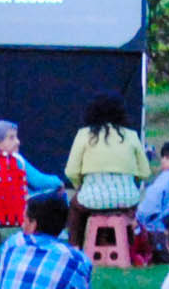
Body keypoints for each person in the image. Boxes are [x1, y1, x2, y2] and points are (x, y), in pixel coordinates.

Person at [63, 95, 150, 238]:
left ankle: (76, 245)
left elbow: (71, 171)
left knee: (75, 207)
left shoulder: (84, 135)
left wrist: (79, 186)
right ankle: (125, 242)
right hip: (127, 200)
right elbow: (145, 172)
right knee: (128, 211)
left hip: (91, 198)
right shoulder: (131, 135)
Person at [0, 119, 62, 199]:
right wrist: (58, 181)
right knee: (58, 191)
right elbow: (39, 181)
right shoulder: (15, 160)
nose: (18, 142)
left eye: (16, 137)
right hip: (20, 207)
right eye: (11, 138)